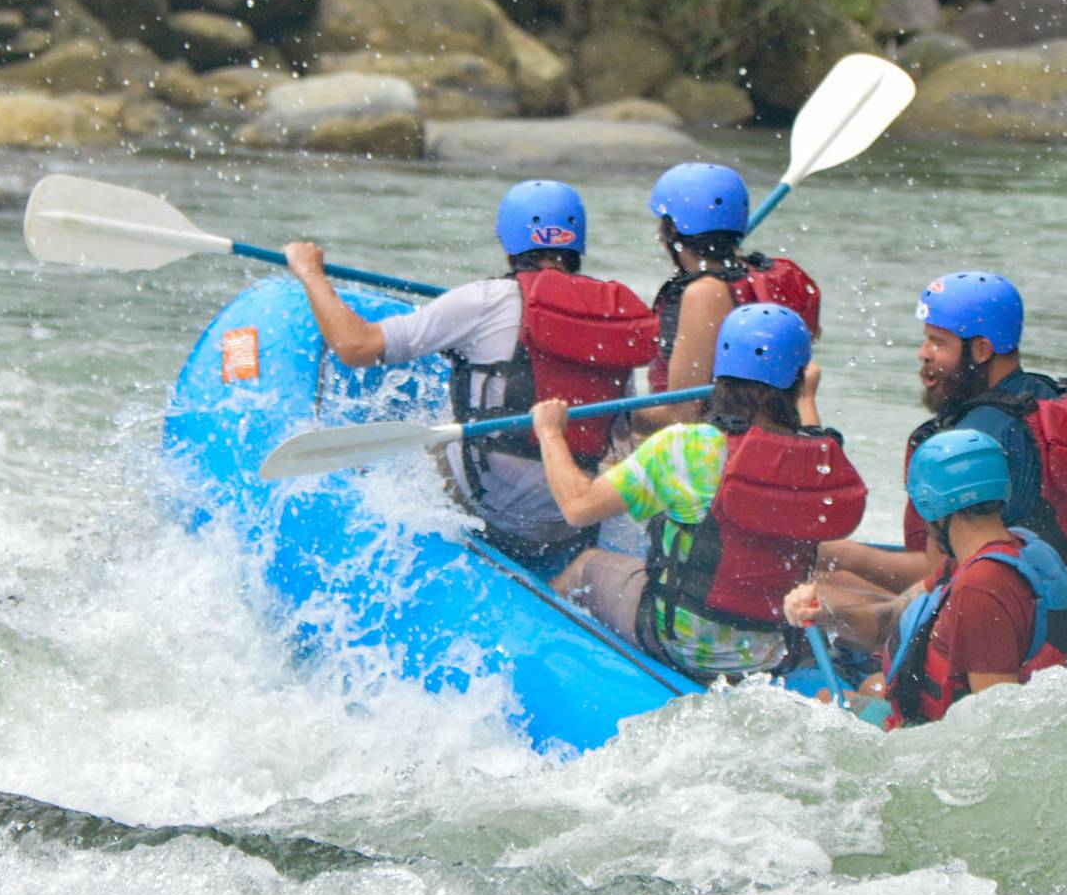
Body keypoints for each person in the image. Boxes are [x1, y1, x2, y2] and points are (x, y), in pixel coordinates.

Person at [284, 179, 657, 575]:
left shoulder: (485, 300)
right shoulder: (614, 316)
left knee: (431, 435)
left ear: (508, 243)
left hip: (494, 507)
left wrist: (311, 273)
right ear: (575, 244)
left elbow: (356, 347)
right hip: (569, 518)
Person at [528, 304, 864, 683]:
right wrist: (804, 395)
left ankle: (540, 663)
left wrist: (551, 432)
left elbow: (578, 507)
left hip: (682, 645)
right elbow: (810, 436)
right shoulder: (818, 460)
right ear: (800, 380)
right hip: (771, 652)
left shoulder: (687, 447)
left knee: (584, 566)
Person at [814, 272, 1067, 634]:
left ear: (981, 349)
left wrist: (845, 555)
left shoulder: (965, 445)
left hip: (993, 623)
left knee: (818, 582)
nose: (923, 353)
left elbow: (940, 573)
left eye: (937, 342)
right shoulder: (1056, 407)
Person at [786, 429, 1067, 728]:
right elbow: (887, 621)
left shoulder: (981, 589)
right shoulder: (1017, 551)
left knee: (812, 699)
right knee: (869, 687)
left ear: (929, 505)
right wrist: (825, 615)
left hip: (935, 747)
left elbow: (998, 727)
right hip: (944, 727)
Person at [634, 163, 822, 431]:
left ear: (670, 231)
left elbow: (681, 415)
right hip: (767, 438)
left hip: (711, 451)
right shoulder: (764, 274)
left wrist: (615, 415)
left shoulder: (704, 293)